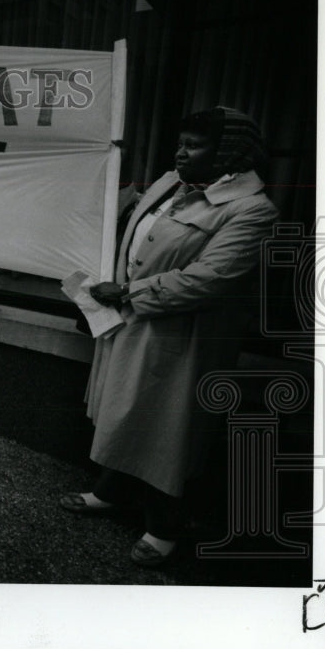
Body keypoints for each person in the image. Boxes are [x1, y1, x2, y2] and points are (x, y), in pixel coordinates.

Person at [61, 107, 279, 567]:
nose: (181, 152)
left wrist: (126, 291)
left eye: (194, 145)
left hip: (181, 339)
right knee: (123, 414)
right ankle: (112, 492)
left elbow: (209, 278)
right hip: (133, 321)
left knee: (166, 430)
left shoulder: (252, 211)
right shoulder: (168, 185)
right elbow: (134, 234)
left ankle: (164, 526)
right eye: (180, 142)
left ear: (229, 153)